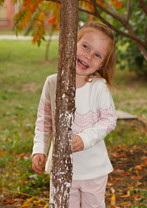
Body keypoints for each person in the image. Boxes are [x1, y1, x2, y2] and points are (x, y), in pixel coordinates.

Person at [32, 21, 117, 208]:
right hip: (61, 168)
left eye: (97, 55)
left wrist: (85, 138)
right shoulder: (52, 82)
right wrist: (39, 149)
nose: (88, 56)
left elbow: (109, 120)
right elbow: (44, 120)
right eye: (85, 46)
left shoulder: (99, 88)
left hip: (93, 170)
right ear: (71, 43)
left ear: (102, 63)